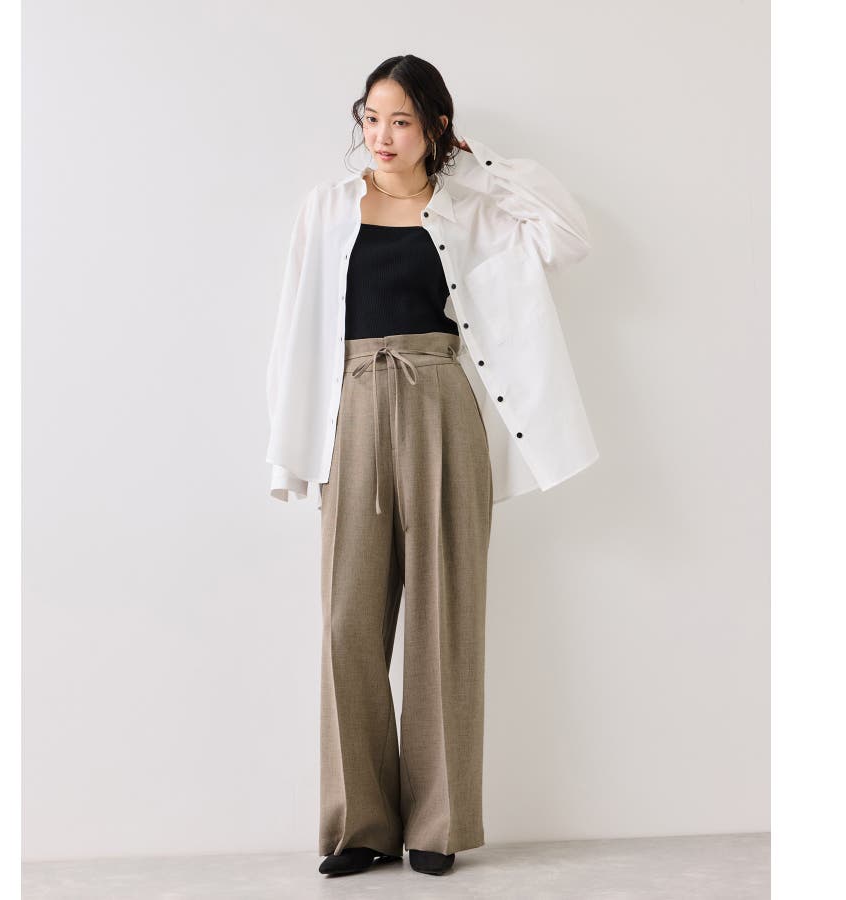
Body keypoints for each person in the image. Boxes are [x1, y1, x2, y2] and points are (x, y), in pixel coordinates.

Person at [265, 54, 598, 878]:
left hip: (442, 401)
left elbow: (568, 238)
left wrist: (481, 164)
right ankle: (360, 825)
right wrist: (287, 448)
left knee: (446, 617)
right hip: (352, 408)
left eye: (402, 121)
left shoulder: (471, 209)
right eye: (371, 118)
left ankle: (436, 826)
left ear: (435, 128)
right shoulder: (326, 208)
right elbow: (295, 326)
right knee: (347, 623)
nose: (381, 136)